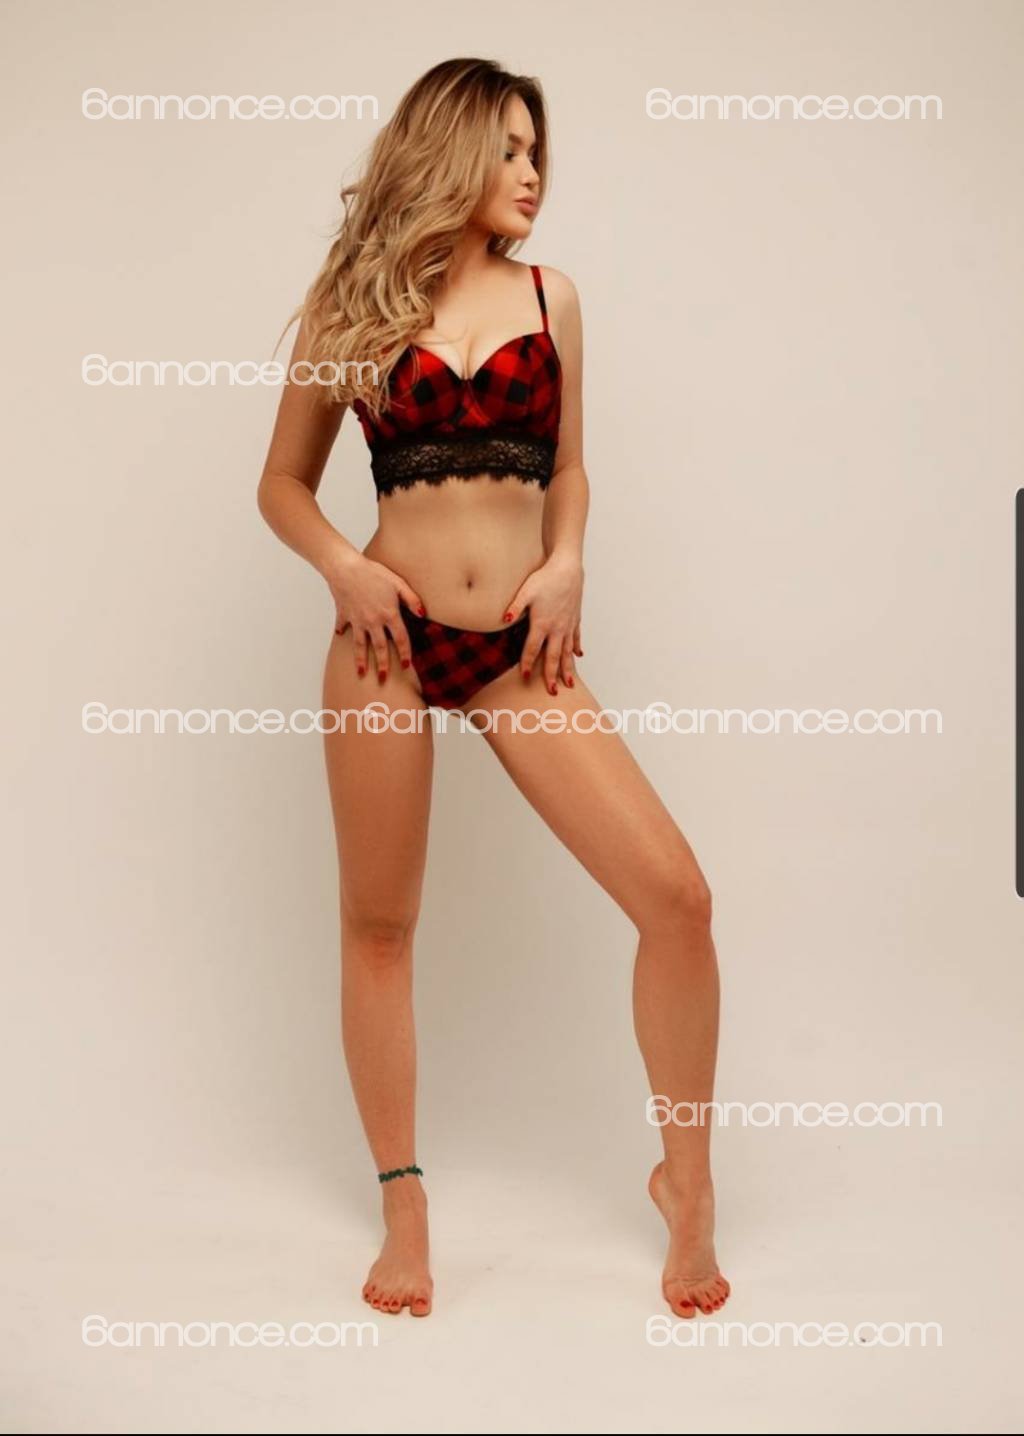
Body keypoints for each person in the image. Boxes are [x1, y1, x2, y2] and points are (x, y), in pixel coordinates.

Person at [257, 57, 730, 1321]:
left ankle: (685, 1181)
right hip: (388, 643)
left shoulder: (548, 296)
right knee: (379, 925)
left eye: (537, 151)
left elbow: (568, 468)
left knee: (677, 898)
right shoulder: (351, 302)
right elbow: (281, 484)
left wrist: (567, 562)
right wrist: (344, 566)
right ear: (453, 149)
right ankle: (403, 1200)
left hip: (519, 648)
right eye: (510, 148)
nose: (532, 172)